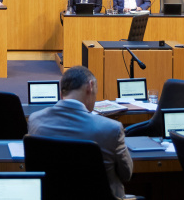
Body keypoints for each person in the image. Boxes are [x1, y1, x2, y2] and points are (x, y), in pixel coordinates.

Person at [28, 66, 133, 199]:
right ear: (90, 86)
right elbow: (126, 174)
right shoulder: (112, 128)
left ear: (61, 93)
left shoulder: (35, 120)